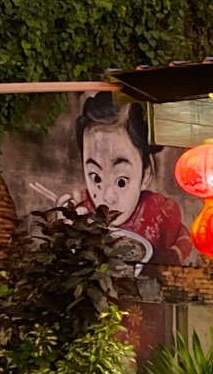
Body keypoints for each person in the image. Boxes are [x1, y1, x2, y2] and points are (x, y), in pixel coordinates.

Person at [61, 93, 191, 265]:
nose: (107, 197)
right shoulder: (80, 209)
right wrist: (64, 231)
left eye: (121, 181)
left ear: (146, 173)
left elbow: (182, 244)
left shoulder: (160, 213)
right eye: (96, 178)